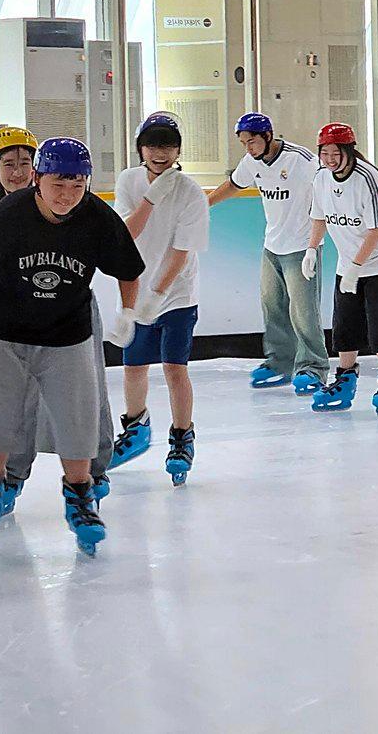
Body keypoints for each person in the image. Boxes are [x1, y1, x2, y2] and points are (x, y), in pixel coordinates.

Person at [0, 137, 144, 557]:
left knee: (76, 419)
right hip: (4, 335)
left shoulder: (97, 217)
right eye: (57, 185)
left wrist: (127, 312)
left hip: (66, 336)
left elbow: (128, 268)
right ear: (37, 180)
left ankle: (80, 500)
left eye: (77, 185)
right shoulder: (8, 216)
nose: (67, 195)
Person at [0, 126, 115, 516]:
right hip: (14, 322)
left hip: (70, 317)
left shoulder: (71, 204)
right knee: (12, 398)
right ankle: (10, 474)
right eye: (9, 164)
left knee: (86, 391)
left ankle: (93, 468)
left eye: (25, 163)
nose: (18, 172)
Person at [108, 113, 210, 486]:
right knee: (133, 366)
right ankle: (135, 427)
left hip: (177, 294)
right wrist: (150, 198)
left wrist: (157, 295)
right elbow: (125, 236)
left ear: (178, 149)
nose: (159, 152)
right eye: (152, 144)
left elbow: (181, 251)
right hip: (138, 288)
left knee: (173, 367)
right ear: (140, 149)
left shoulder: (191, 192)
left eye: (167, 144)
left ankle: (182, 436)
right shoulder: (129, 181)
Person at [207, 112, 328, 394]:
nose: (248, 148)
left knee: (303, 312)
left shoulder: (301, 160)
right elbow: (235, 184)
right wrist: (206, 203)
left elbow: (326, 189)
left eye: (252, 141)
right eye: (243, 143)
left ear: (268, 136)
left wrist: (314, 245)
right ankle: (280, 362)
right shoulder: (252, 161)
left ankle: (314, 367)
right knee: (272, 306)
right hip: (272, 246)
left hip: (300, 247)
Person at [301, 123, 378, 417]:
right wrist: (312, 248)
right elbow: (319, 216)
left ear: (348, 151)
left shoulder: (367, 177)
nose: (330, 158)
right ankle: (345, 378)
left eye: (336, 152)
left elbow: (376, 229)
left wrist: (357, 267)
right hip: (348, 261)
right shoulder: (321, 177)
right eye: (325, 152)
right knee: (344, 323)